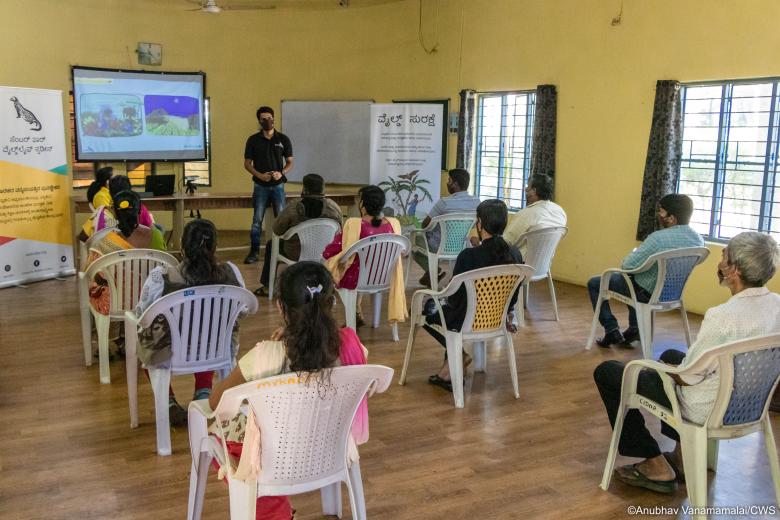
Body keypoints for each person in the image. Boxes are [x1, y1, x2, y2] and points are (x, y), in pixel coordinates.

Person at [593, 231, 780, 494]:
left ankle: (655, 464)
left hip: (708, 408)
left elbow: (688, 376)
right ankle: (681, 456)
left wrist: (662, 372)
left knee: (610, 372)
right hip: (750, 404)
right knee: (671, 354)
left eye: (724, 255)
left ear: (734, 270)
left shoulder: (722, 316)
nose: (720, 259)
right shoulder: (777, 306)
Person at [209, 262, 369, 520]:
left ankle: (274, 511)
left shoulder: (266, 356)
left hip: (278, 459)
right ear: (331, 303)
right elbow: (365, 389)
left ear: (282, 307)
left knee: (218, 432)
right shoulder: (352, 345)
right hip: (330, 448)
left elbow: (217, 402)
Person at [135, 219, 245, 426]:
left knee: (144, 342)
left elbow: (144, 314)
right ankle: (203, 392)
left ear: (182, 246)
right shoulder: (231, 273)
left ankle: (168, 402)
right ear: (215, 246)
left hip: (171, 354)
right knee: (206, 333)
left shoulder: (163, 277)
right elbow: (244, 310)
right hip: (217, 349)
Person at [424, 199, 522, 391]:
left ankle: (456, 359)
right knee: (449, 311)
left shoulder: (469, 256)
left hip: (466, 320)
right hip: (498, 318)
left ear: (479, 223)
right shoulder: (516, 254)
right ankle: (449, 369)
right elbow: (515, 295)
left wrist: (438, 298)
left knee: (425, 308)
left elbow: (455, 299)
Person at [588, 194, 705, 347]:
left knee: (596, 282)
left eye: (662, 212)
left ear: (672, 218)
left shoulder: (658, 239)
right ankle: (635, 329)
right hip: (672, 294)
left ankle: (611, 330)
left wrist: (635, 253)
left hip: (645, 294)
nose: (659, 215)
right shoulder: (698, 240)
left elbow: (627, 265)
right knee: (633, 279)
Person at [323, 185, 406, 327]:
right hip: (384, 277)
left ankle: (352, 316)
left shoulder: (354, 224)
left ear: (362, 203)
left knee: (338, 267)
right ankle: (360, 314)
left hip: (357, 278)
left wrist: (327, 255)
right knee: (358, 264)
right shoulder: (394, 224)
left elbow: (330, 251)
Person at [254, 173, 343, 297]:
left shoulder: (293, 206)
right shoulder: (333, 207)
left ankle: (268, 287)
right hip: (324, 252)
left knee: (271, 244)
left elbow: (277, 229)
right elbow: (340, 229)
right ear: (323, 188)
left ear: (304, 188)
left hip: (295, 252)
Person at [86, 190, 166, 316]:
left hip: (116, 304)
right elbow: (164, 266)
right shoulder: (157, 235)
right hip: (151, 300)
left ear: (115, 214)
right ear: (140, 211)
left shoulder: (104, 243)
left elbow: (92, 273)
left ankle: (112, 330)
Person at [413, 168, 481, 288]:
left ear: (455, 184)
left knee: (414, 243)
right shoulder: (476, 202)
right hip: (461, 244)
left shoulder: (444, 202)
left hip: (439, 245)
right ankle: (430, 275)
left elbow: (425, 225)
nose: (447, 183)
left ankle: (433, 271)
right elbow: (479, 223)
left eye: (449, 180)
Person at [244, 106, 294, 264]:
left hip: (278, 185)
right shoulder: (253, 140)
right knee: (257, 220)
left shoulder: (283, 139)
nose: (268, 121)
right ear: (259, 121)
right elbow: (247, 164)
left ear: (274, 119)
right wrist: (259, 175)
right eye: (264, 119)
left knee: (281, 219)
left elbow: (290, 162)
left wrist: (282, 172)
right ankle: (254, 252)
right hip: (260, 185)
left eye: (270, 118)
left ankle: (281, 252)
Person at [503, 173, 567, 258]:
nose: (526, 192)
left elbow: (505, 242)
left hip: (520, 267)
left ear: (534, 191)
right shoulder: (560, 212)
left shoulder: (525, 215)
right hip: (543, 267)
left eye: (527, 189)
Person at [79, 175, 155, 242]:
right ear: (130, 190)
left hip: (110, 257)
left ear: (110, 193)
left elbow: (82, 237)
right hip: (137, 257)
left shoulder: (102, 215)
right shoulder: (141, 209)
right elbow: (152, 233)